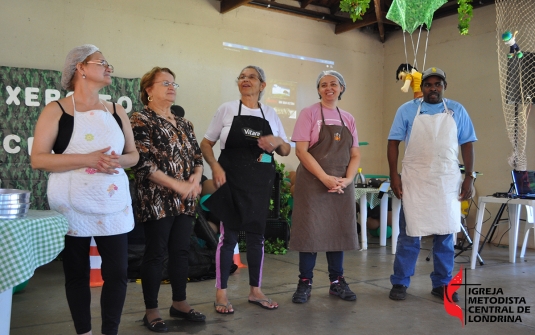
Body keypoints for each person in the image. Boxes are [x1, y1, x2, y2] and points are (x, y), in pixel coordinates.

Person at [31, 44, 138, 335]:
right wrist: (89, 159)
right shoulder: (57, 110)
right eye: (102, 62)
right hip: (71, 204)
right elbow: (38, 158)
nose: (108, 68)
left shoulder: (117, 111)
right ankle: (84, 332)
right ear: (81, 68)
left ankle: (110, 332)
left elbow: (133, 155)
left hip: (112, 202)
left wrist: (116, 160)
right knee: (76, 274)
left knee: (117, 273)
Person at [200, 65, 291, 314]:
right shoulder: (227, 109)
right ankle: (221, 293)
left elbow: (286, 151)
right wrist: (215, 166)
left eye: (252, 77)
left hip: (259, 184)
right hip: (231, 180)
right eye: (242, 76)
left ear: (263, 85)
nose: (245, 80)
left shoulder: (271, 113)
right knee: (228, 237)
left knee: (257, 237)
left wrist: (278, 141)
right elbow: (206, 143)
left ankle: (255, 290)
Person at [387, 67, 477, 302]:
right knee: (409, 235)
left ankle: (443, 284)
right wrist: (393, 175)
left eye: (438, 84)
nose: (433, 88)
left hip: (446, 180)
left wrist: (469, 176)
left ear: (444, 87)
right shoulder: (406, 110)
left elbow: (467, 144)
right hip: (415, 179)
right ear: (422, 87)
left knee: (446, 235)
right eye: (429, 84)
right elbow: (393, 143)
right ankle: (400, 282)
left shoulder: (457, 110)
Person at [130, 67, 205, 333]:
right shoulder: (139, 119)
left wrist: (195, 179)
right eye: (165, 83)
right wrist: (177, 185)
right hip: (157, 198)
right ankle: (151, 311)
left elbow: (197, 158)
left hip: (186, 200)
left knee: (181, 251)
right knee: (156, 253)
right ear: (148, 89)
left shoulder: (184, 123)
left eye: (174, 83)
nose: (172, 87)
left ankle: (180, 304)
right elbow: (142, 163)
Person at [289, 70, 361, 304]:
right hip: (313, 182)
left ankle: (337, 282)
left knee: (337, 231)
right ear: (318, 89)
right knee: (310, 232)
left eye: (334, 84)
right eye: (323, 84)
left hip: (340, 183)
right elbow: (301, 151)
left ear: (341, 88)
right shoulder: (308, 113)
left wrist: (347, 180)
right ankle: (304, 282)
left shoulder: (348, 118)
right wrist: (324, 178)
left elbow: (355, 154)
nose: (328, 88)